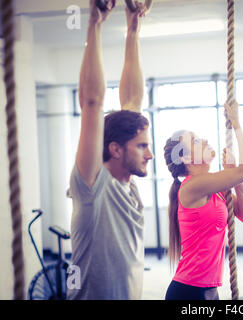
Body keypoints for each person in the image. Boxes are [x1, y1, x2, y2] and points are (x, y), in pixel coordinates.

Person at [67, 0, 152, 299]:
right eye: (143, 147)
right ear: (115, 149)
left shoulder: (127, 185)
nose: (150, 155)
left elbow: (132, 102)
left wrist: (132, 32)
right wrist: (95, 24)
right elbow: (92, 104)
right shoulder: (93, 186)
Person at [163, 101, 243, 300]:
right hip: (188, 292)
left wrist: (234, 177)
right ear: (187, 159)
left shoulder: (214, 188)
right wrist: (237, 124)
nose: (204, 140)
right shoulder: (192, 187)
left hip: (209, 290)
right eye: (196, 142)